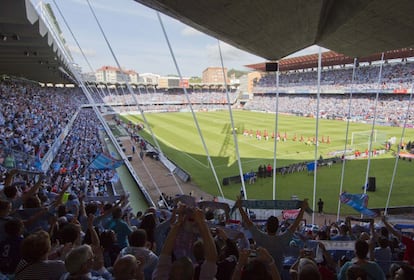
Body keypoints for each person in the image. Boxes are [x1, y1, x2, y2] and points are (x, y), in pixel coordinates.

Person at [236, 196, 309, 274]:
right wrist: (303, 208)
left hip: (260, 275)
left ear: (266, 227)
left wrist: (240, 207)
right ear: (278, 227)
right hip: (277, 275)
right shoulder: (283, 239)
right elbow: (295, 224)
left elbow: (248, 222)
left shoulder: (260, 237)